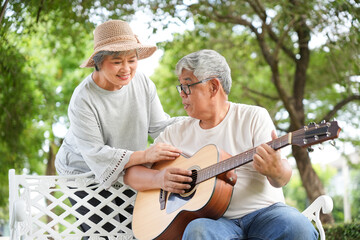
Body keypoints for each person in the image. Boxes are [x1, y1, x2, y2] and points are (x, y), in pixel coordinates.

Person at [124, 49, 318, 239]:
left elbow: (281, 178)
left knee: (297, 226)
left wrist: (275, 171)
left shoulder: (253, 116)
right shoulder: (175, 133)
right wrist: (159, 178)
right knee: (197, 231)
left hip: (265, 214)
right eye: (180, 87)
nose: (182, 94)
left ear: (213, 87)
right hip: (216, 222)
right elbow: (132, 174)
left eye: (187, 86)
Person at [54, 19, 183, 235]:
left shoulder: (142, 83)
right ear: (98, 62)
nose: (126, 69)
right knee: (102, 231)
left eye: (132, 60)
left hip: (126, 167)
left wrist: (198, 121)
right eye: (116, 62)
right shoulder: (83, 99)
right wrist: (145, 155)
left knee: (136, 227)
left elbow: (160, 126)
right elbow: (96, 154)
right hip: (83, 170)